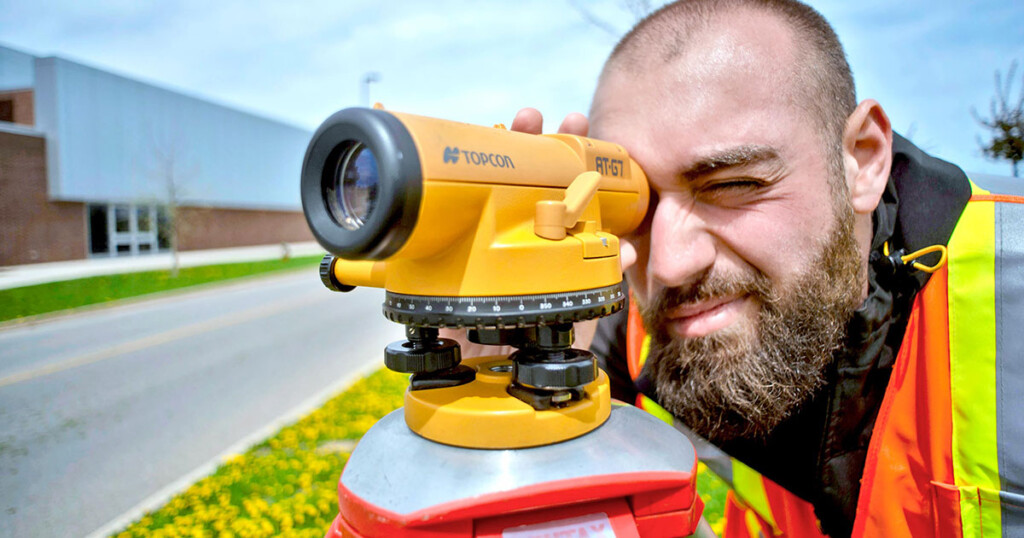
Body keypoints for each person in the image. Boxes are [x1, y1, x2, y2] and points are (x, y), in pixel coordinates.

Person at [507, 1, 1024, 536]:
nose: (669, 263)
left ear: (864, 159)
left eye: (731, 185)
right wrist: (503, 403)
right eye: (635, 208)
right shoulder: (640, 336)